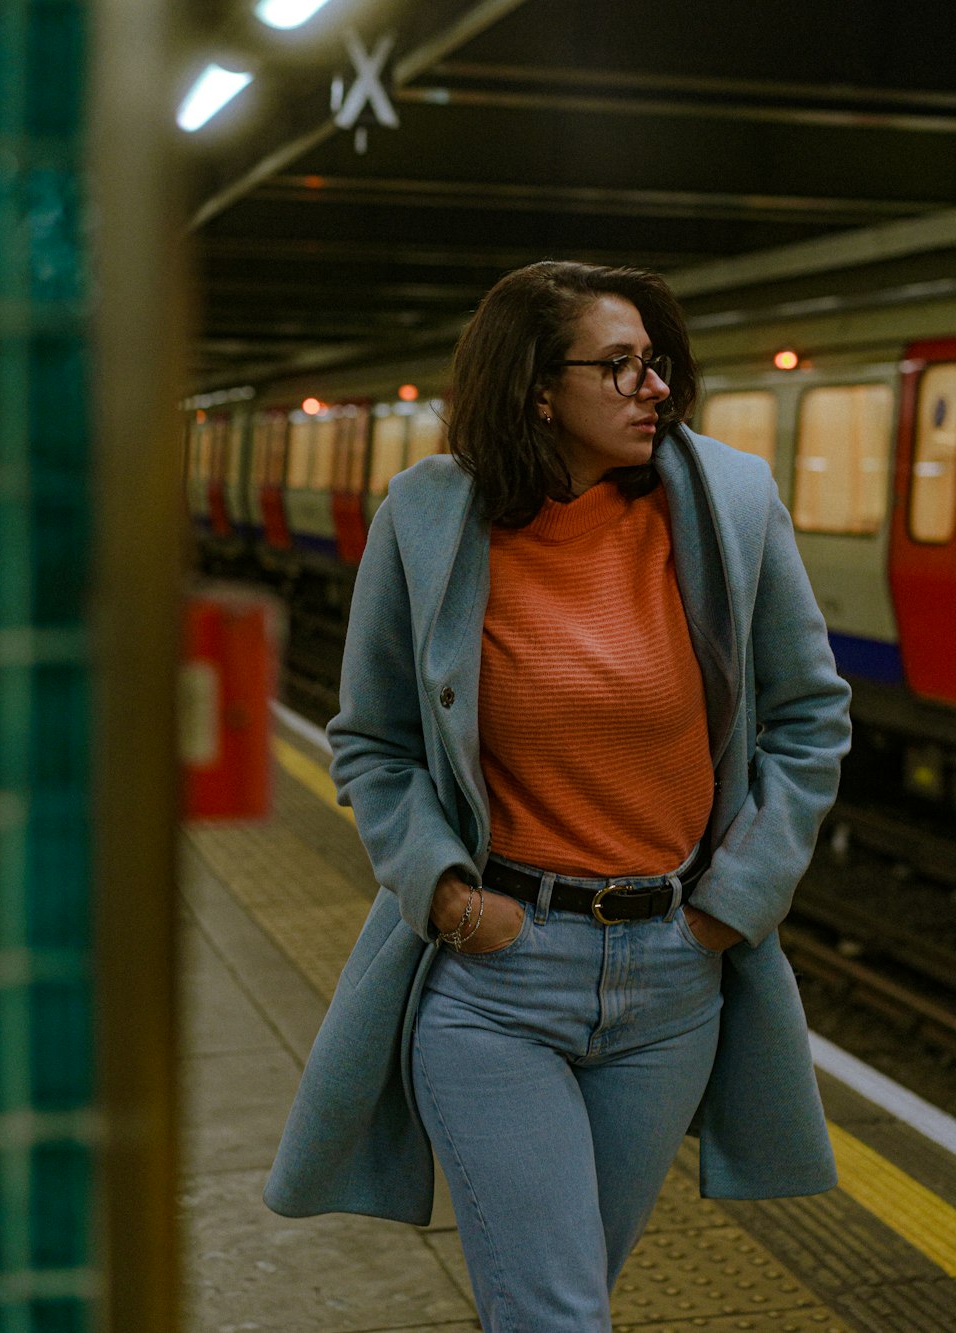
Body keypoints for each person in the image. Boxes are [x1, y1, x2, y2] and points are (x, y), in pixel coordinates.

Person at [264, 261, 852, 1331]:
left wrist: (735, 902)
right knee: (555, 1311)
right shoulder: (430, 516)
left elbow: (812, 716)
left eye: (656, 363)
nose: (653, 387)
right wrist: (445, 897)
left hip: (675, 979)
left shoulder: (728, 503)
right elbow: (375, 741)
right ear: (538, 387)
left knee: (564, 1294)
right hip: (499, 979)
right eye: (618, 366)